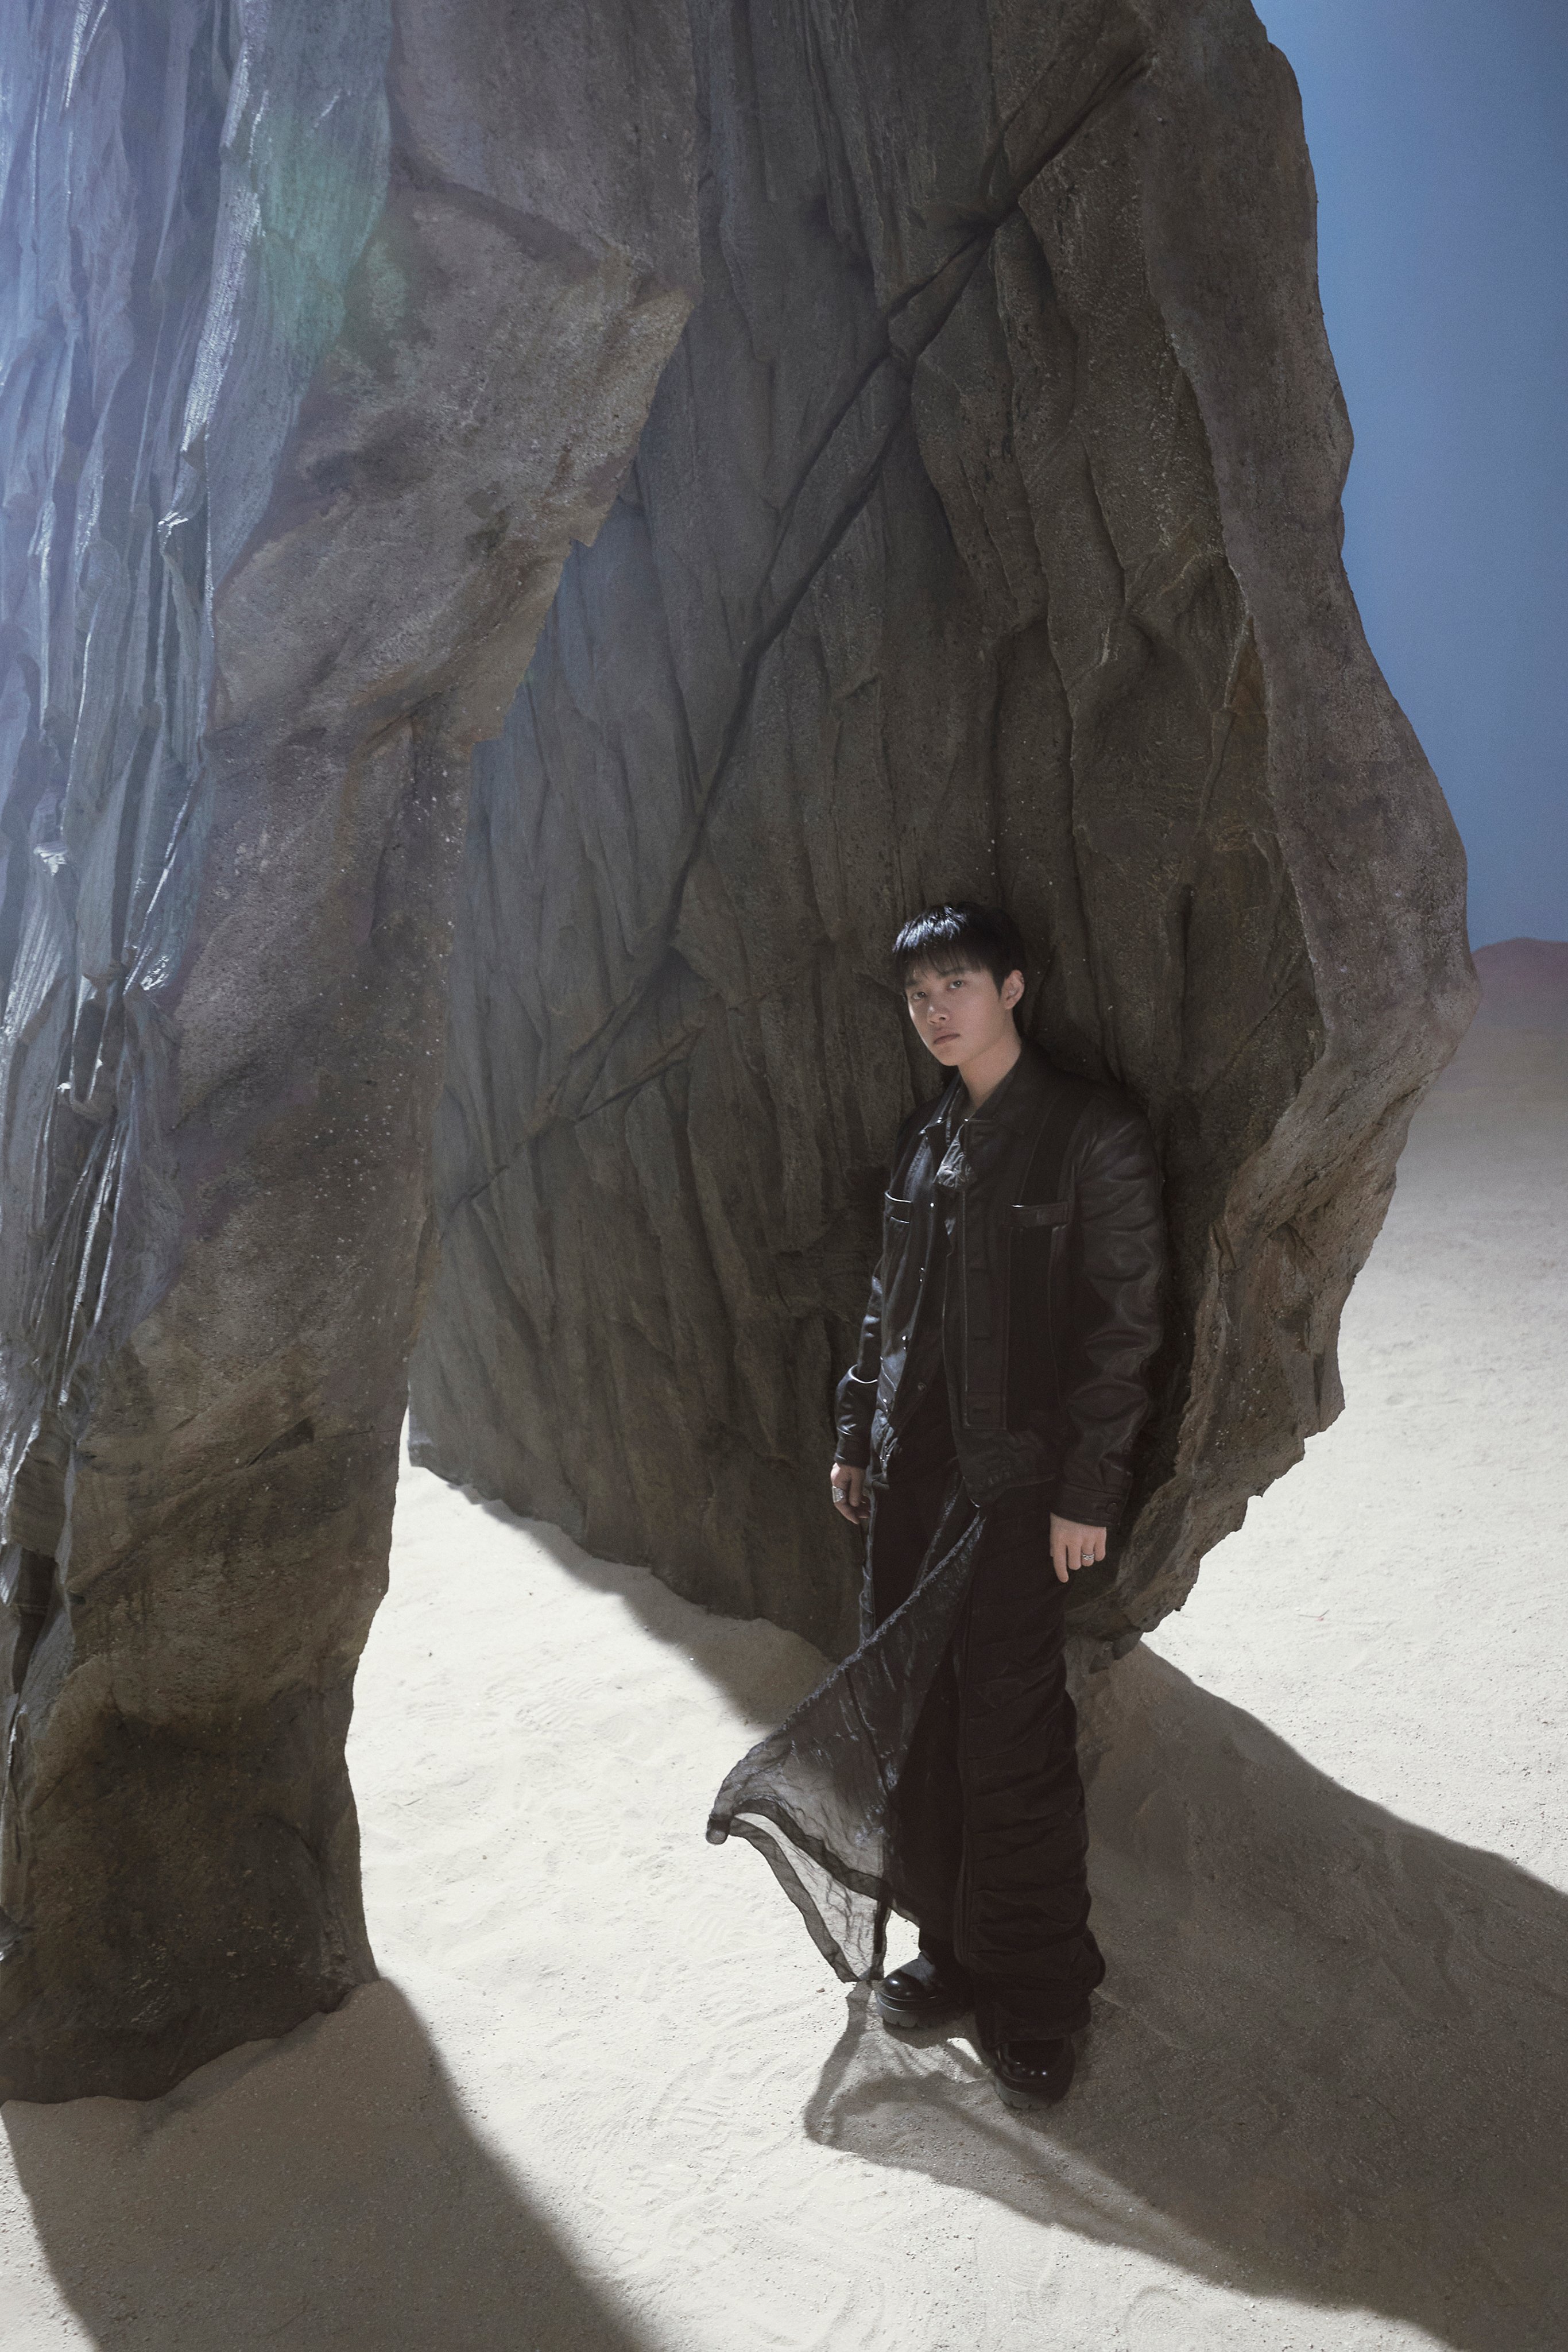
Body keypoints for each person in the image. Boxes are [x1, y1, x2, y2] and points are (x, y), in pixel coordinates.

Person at [708, 902, 1164, 2113]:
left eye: (956, 984)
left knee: (1012, 1741)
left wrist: (1087, 1490)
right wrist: (856, 1435)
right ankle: (955, 1950)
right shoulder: (925, 1137)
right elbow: (886, 1307)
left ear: (1013, 988)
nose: (935, 1011)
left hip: (1016, 1490)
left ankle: (1040, 1990)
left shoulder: (1090, 1134)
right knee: (917, 1726)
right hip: (909, 1480)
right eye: (917, 995)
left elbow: (1123, 1329)